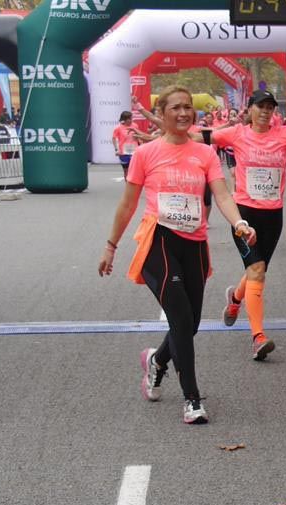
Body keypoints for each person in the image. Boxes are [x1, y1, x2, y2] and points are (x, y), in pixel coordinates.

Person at [98, 85, 256, 425]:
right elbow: (127, 204)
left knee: (192, 323)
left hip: (194, 244)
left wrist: (239, 222)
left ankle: (157, 360)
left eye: (188, 107)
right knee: (182, 319)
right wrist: (111, 246)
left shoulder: (205, 154)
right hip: (160, 241)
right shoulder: (146, 154)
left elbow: (223, 195)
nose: (184, 113)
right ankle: (192, 399)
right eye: (176, 108)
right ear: (162, 113)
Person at [211, 91, 286, 360]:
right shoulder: (235, 133)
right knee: (257, 270)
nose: (265, 112)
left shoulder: (284, 135)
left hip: (272, 216)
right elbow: (204, 136)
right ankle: (258, 336)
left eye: (270, 107)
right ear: (249, 110)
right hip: (244, 215)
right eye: (260, 107)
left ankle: (235, 299)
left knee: (257, 270)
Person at [112, 111, 139, 178]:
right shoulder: (118, 128)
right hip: (123, 152)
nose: (130, 120)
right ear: (124, 119)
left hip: (134, 151)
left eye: (131, 118)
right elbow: (114, 138)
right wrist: (116, 149)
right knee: (126, 171)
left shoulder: (135, 126)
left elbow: (139, 137)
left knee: (133, 171)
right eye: (129, 119)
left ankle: (133, 186)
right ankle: (128, 186)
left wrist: (141, 146)